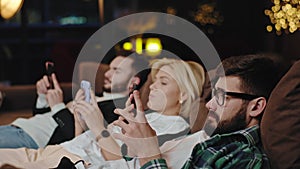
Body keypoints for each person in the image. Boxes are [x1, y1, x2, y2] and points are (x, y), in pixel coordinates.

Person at [0, 58, 206, 169]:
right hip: (61, 150)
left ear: (184, 96)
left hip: (71, 161)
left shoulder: (175, 127)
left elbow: (120, 162)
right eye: (154, 82)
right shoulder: (147, 117)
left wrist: (98, 125)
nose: (152, 88)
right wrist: (81, 121)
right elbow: (89, 144)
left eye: (163, 82)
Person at [112, 54, 285, 169]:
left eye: (221, 97)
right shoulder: (207, 138)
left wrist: (148, 153)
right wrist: (136, 143)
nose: (209, 105)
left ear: (255, 107)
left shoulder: (244, 158)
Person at [0, 53, 148, 149]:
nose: (107, 73)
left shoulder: (118, 110)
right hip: (19, 126)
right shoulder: (92, 95)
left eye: (117, 70)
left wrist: (58, 107)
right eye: (109, 68)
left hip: (32, 139)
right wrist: (43, 98)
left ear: (133, 82)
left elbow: (78, 138)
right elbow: (44, 117)